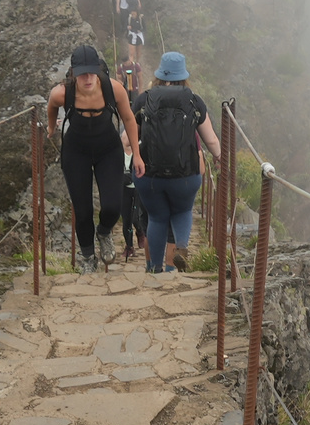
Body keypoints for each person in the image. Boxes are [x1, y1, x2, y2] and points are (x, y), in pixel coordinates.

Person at [47, 45, 143, 273]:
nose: (88, 78)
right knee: (82, 210)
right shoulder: (62, 93)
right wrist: (51, 128)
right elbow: (51, 106)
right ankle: (88, 256)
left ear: (98, 70)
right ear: (74, 72)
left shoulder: (114, 89)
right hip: (75, 152)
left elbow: (129, 119)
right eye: (82, 73)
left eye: (92, 72)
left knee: (112, 205)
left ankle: (104, 231)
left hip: (108, 150)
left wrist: (137, 155)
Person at [130, 51, 222, 273]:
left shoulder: (144, 100)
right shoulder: (194, 101)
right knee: (182, 211)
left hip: (150, 176)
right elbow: (211, 141)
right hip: (186, 176)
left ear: (160, 73)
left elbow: (127, 138)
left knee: (157, 217)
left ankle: (154, 268)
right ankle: (179, 252)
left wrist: (135, 158)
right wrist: (220, 158)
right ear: (184, 75)